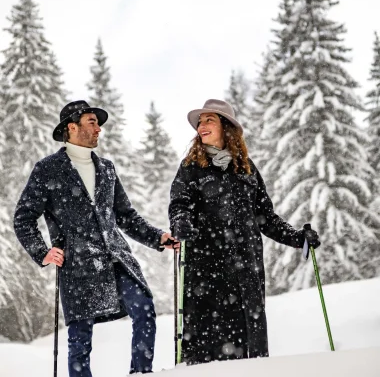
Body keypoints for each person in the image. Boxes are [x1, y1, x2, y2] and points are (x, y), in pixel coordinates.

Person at [14, 100, 179, 376]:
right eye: (92, 122)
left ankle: (140, 373)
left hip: (117, 260)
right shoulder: (47, 170)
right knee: (80, 341)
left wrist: (158, 237)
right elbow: (23, 217)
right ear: (72, 127)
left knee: (144, 310)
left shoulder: (107, 169)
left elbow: (126, 216)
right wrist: (42, 251)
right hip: (77, 267)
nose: (99, 129)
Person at [169, 99, 320, 365]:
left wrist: (297, 237)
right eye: (200, 122)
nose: (201, 126)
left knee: (250, 346)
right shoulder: (191, 168)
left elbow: (266, 218)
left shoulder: (246, 169)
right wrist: (181, 221)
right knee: (209, 343)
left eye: (209, 120)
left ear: (226, 127)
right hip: (207, 269)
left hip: (246, 269)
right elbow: (179, 203)